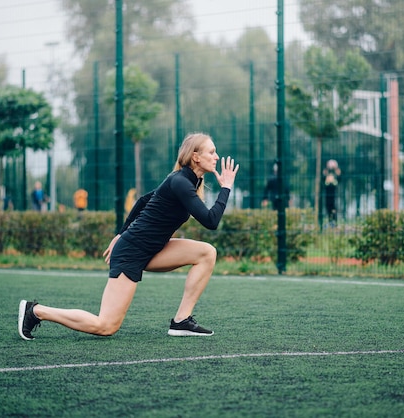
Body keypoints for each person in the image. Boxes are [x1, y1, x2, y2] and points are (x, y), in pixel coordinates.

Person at [18, 133, 239, 340]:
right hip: (131, 252)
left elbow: (142, 200)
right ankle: (36, 311)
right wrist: (226, 188)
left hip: (152, 249)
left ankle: (181, 321)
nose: (217, 157)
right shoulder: (180, 181)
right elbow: (211, 221)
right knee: (106, 326)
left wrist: (120, 234)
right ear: (195, 157)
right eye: (211, 152)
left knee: (207, 253)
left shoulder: (187, 181)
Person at [322, 159, 341, 225]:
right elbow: (323, 177)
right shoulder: (326, 173)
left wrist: (335, 167)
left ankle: (334, 222)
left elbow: (339, 177)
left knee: (334, 208)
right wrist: (327, 167)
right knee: (328, 207)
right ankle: (330, 221)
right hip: (327, 193)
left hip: (334, 193)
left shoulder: (335, 173)